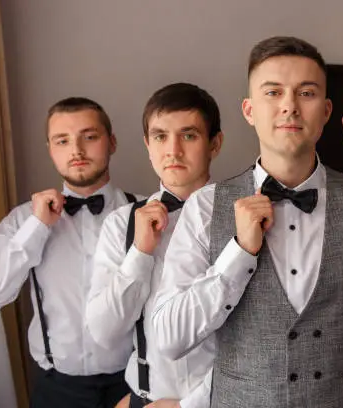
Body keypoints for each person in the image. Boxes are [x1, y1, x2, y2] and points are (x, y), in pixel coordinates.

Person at [152, 36, 343, 407]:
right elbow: (169, 337)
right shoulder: (204, 208)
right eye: (273, 92)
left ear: (327, 111)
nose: (289, 107)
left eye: (306, 93)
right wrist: (238, 255)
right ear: (249, 110)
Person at [0, 97, 139, 407]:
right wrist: (36, 228)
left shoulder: (147, 212)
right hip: (56, 390)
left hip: (136, 383)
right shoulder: (22, 220)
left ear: (111, 142)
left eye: (89, 136)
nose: (77, 150)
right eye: (63, 140)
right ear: (50, 149)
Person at [87, 83, 223, 408]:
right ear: (148, 145)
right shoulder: (122, 224)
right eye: (161, 137)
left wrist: (188, 406)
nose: (172, 150)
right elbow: (104, 333)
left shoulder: (243, 218)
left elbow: (263, 337)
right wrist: (140, 253)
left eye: (188, 136)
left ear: (214, 144)